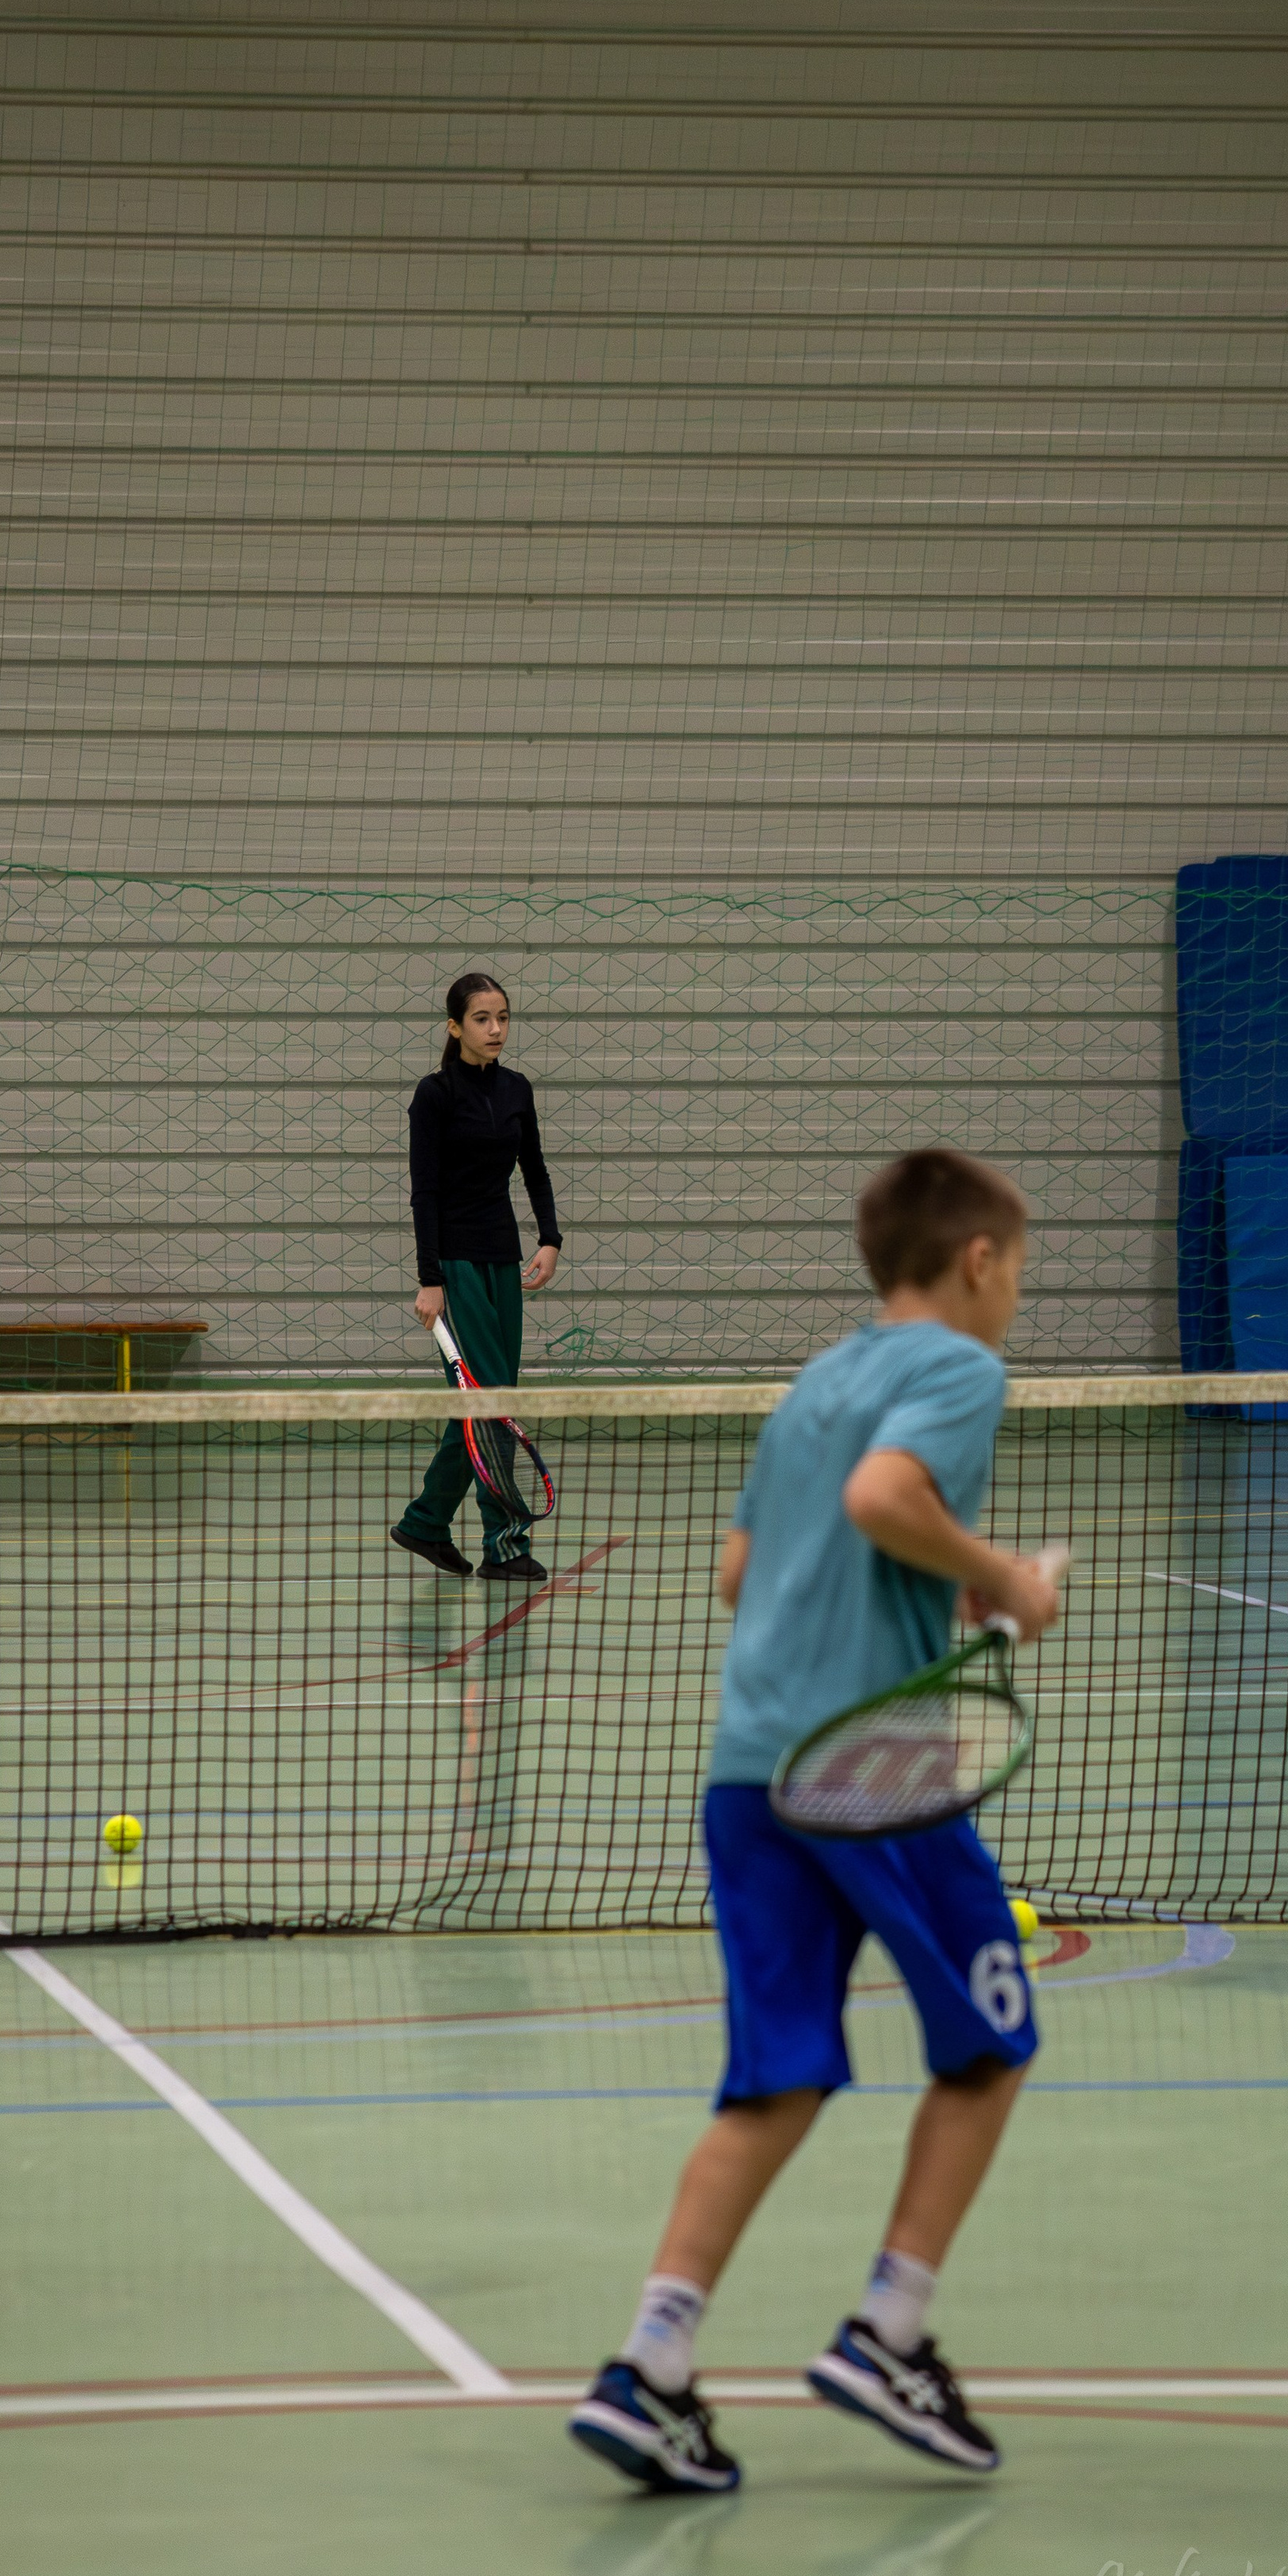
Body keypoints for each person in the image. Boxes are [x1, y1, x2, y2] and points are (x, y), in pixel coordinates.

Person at [568, 1146, 1064, 2494]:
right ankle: (888, 2331)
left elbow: (747, 1570)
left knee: (776, 2078)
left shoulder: (818, 1382)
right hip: (872, 1768)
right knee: (994, 2040)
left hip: (748, 1775)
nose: (1017, 1291)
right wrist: (1006, 1581)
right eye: (1017, 1266)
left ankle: (651, 2365)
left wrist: (928, 1595)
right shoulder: (958, 1371)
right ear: (975, 1260)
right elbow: (883, 1502)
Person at [391, 969, 562, 1585]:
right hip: (455, 1269)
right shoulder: (434, 1096)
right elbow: (424, 1193)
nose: (496, 1029)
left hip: (503, 1260)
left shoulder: (517, 1090)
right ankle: (504, 1544)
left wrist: (549, 1239)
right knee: (488, 1403)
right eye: (484, 1019)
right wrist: (430, 1279)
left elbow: (535, 1170)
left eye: (504, 1018)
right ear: (455, 1027)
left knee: (490, 1401)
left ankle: (426, 1522)